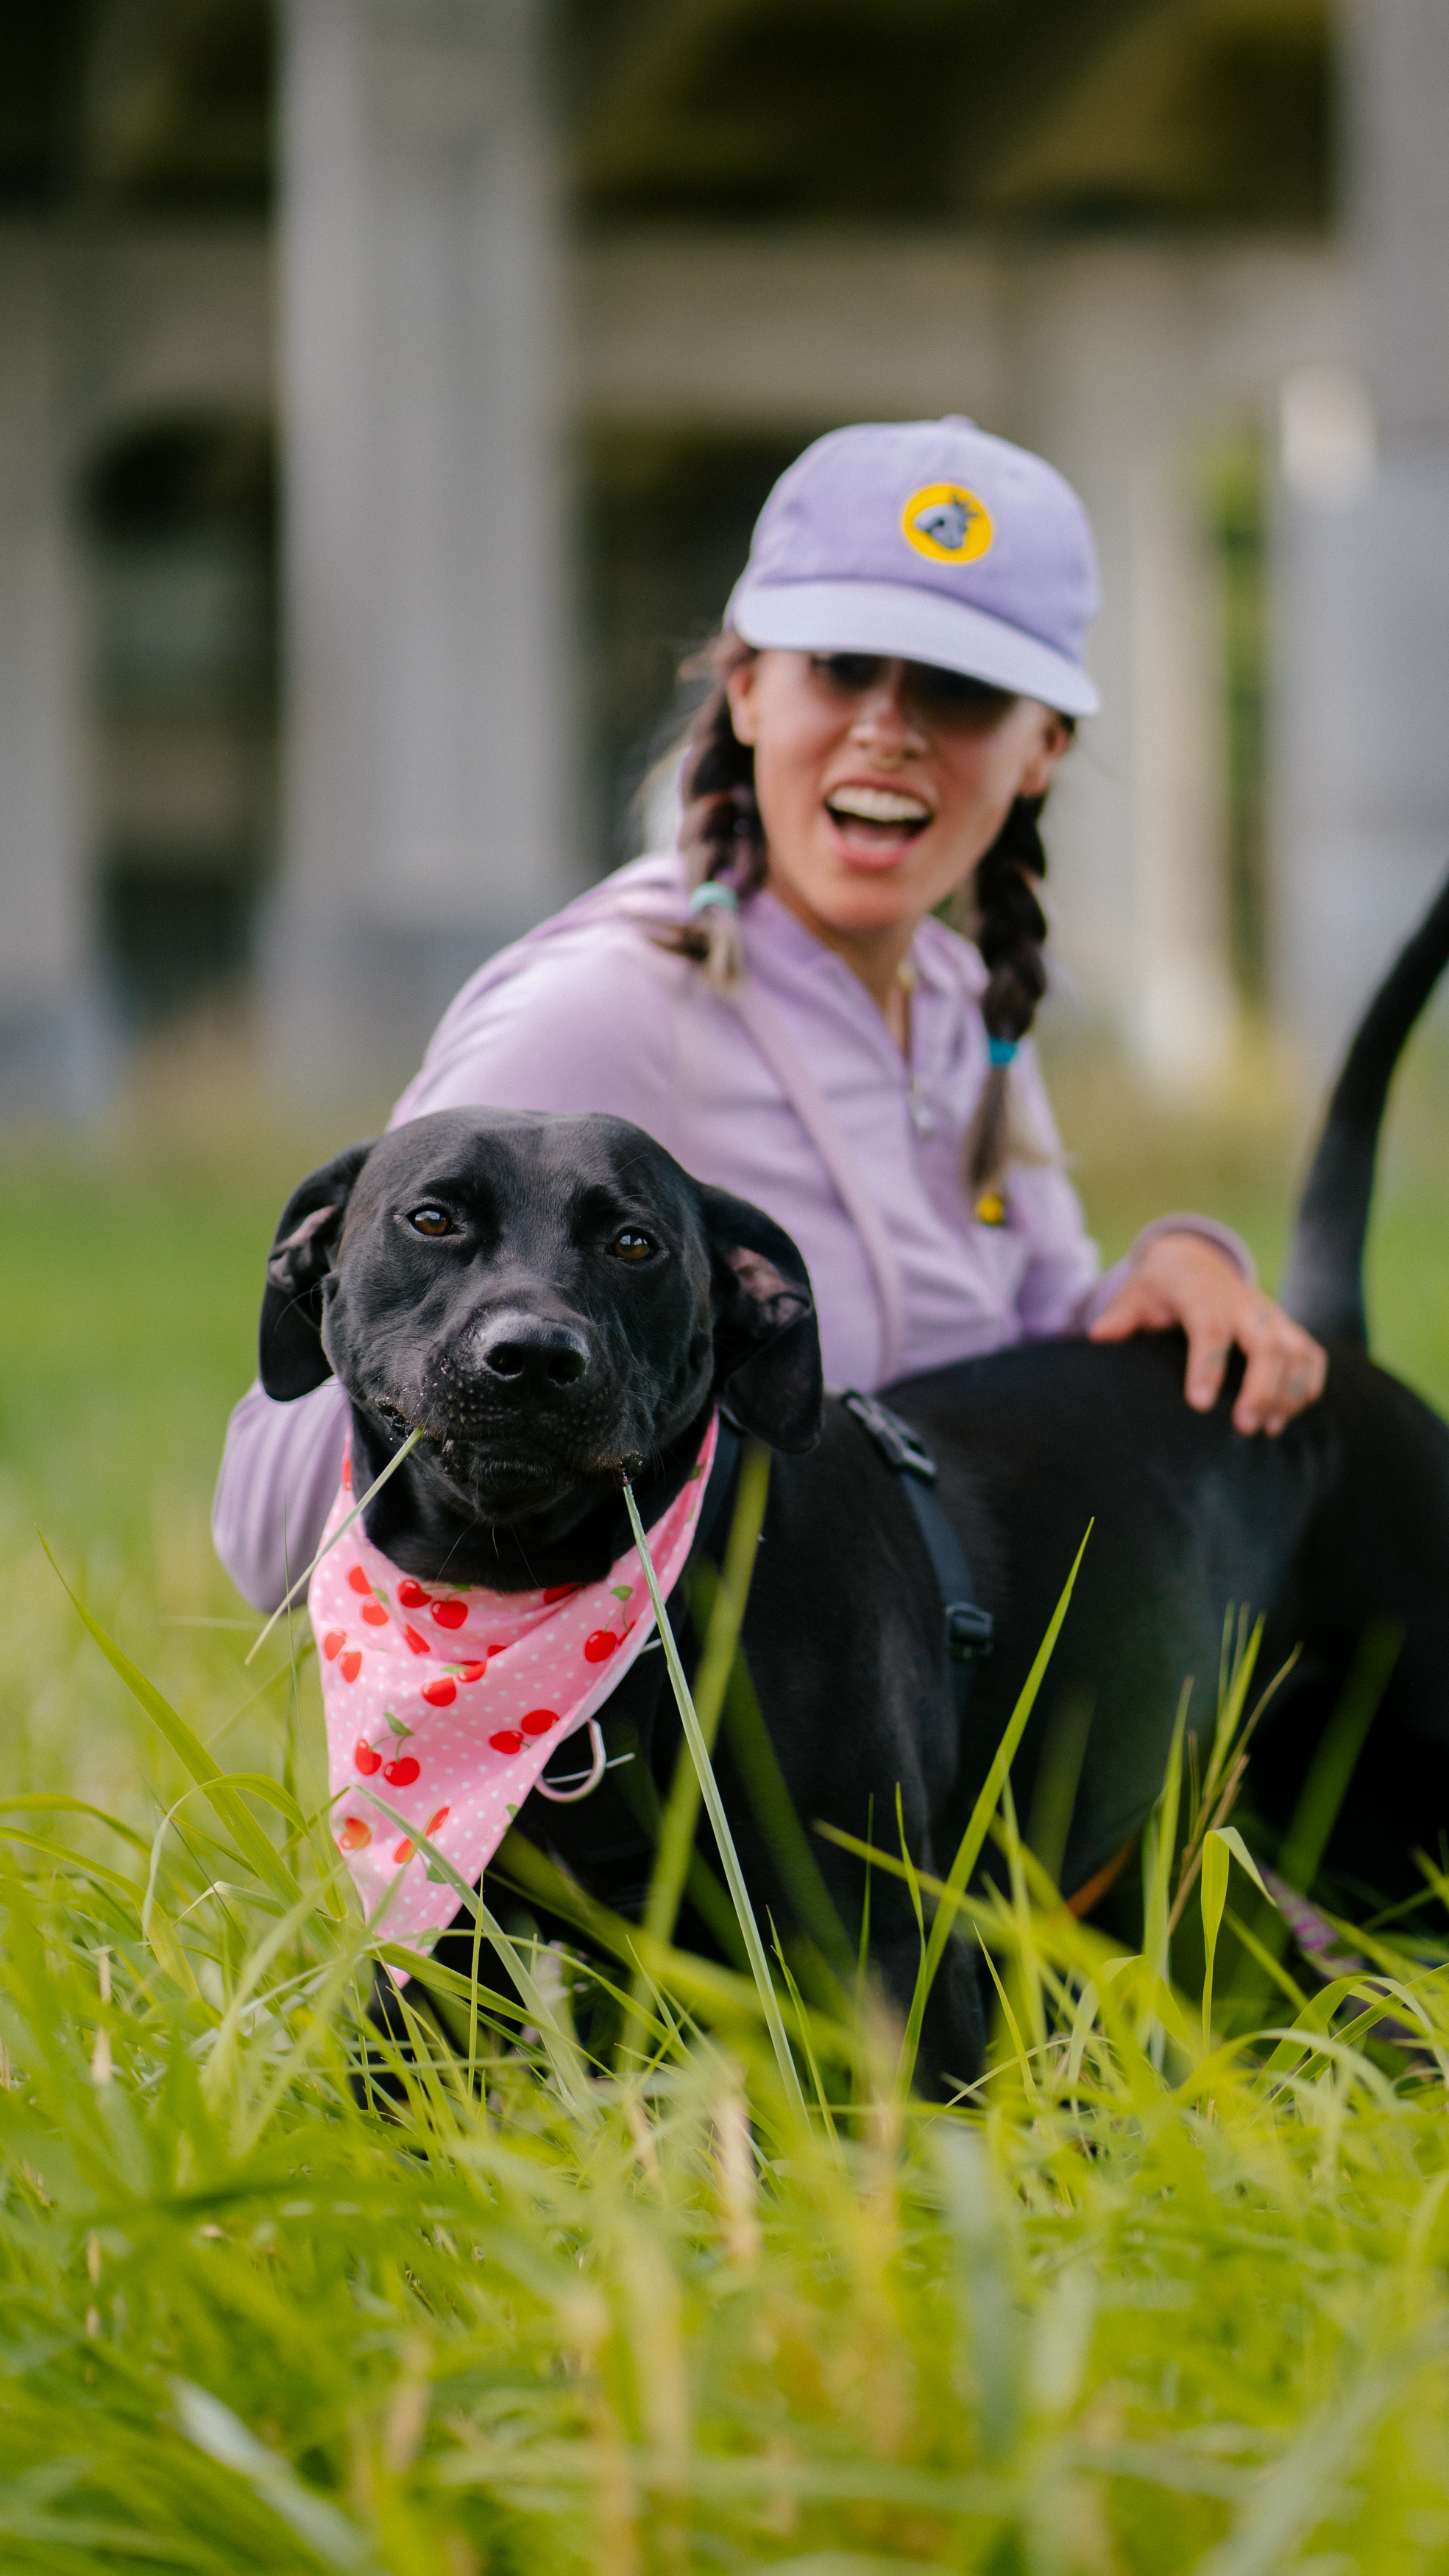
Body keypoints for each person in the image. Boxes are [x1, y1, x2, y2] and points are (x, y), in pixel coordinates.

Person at [213, 416, 1325, 1613]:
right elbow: (295, 1484)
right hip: (682, 1749)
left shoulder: (965, 1014)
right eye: (840, 666)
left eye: (957, 690)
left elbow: (1019, 1354)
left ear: (1041, 747)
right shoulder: (605, 1007)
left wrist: (1170, 1272)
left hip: (901, 1691)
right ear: (744, 687)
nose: (887, 728)